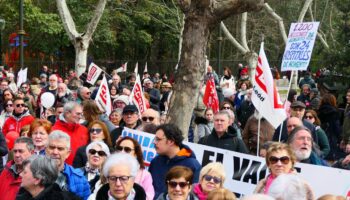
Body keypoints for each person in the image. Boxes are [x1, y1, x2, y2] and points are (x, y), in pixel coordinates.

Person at [149, 123, 201, 199]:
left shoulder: (193, 165)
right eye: (155, 139)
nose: (154, 142)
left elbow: (194, 194)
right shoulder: (155, 162)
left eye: (158, 139)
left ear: (171, 141)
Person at [46, 130, 91, 200]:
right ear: (46, 150)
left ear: (68, 153)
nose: (55, 152)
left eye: (60, 149)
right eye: (52, 147)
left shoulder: (80, 179)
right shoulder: (34, 175)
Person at [318, 93, 342, 160]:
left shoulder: (319, 111)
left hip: (320, 136)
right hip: (331, 137)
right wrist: (340, 139)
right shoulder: (335, 112)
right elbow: (337, 127)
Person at [342, 88, 350, 154]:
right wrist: (344, 139)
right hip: (346, 140)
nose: (347, 97)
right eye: (347, 95)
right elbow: (346, 125)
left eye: (349, 96)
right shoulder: (348, 107)